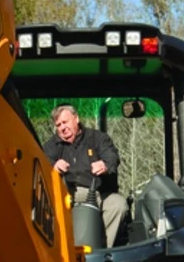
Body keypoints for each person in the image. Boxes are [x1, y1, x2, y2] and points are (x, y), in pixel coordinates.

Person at [42, 105, 128, 247]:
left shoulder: (97, 138)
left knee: (118, 205)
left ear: (76, 119)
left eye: (65, 122)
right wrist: (53, 167)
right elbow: (42, 162)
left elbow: (112, 156)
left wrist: (104, 165)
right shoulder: (52, 146)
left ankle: (100, 249)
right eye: (58, 125)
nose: (63, 128)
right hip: (65, 196)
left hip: (98, 193)